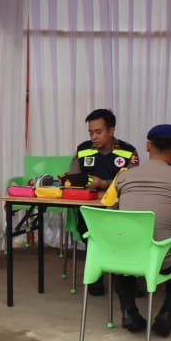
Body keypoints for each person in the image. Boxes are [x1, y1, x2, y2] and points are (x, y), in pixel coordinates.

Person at [111, 125, 171, 335]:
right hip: (160, 259)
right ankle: (166, 313)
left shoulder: (125, 176)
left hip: (125, 257)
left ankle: (129, 311)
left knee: (125, 245)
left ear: (147, 146)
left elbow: (115, 203)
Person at [66, 108, 141, 295]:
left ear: (111, 130)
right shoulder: (83, 150)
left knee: (123, 235)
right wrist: (78, 182)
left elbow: (132, 183)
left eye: (98, 132)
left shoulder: (128, 152)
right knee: (89, 230)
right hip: (90, 209)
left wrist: (104, 183)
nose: (93, 137)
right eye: (90, 132)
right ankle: (97, 275)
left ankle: (127, 280)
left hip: (119, 208)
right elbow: (74, 176)